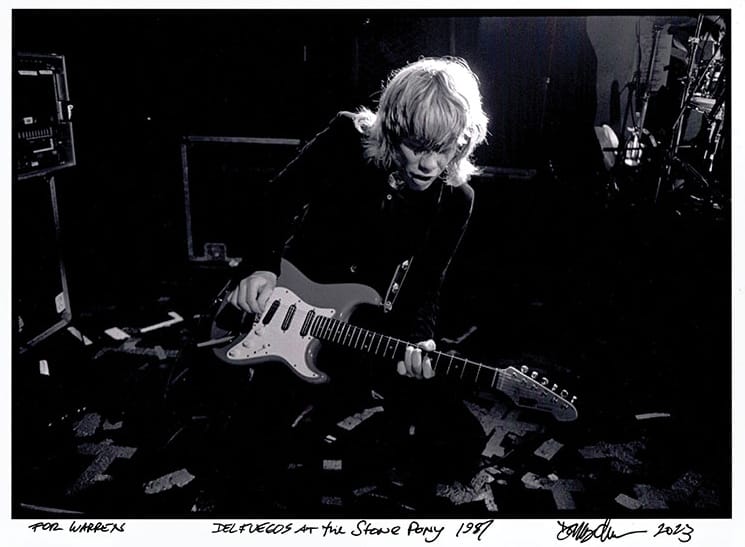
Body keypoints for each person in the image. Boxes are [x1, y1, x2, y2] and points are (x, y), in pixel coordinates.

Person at [223, 56, 489, 489]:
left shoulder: (457, 200)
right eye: (416, 146)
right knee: (249, 457)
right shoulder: (346, 139)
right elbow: (273, 201)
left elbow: (427, 284)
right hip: (293, 312)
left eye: (443, 149)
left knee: (462, 441)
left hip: (368, 332)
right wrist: (259, 269)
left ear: (462, 142)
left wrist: (420, 335)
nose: (428, 164)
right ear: (393, 131)